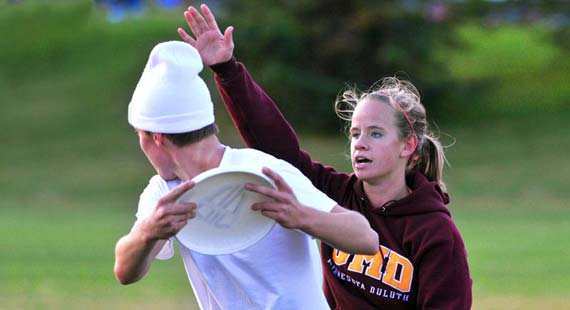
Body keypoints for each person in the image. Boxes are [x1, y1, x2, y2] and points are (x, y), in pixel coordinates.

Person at [178, 4, 472, 309]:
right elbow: (279, 149)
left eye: (375, 133)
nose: (360, 143)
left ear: (407, 145)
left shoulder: (434, 232)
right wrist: (226, 69)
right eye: (355, 133)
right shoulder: (337, 195)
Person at [113, 40, 379, 309]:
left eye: (139, 135)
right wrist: (148, 233)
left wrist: (302, 215)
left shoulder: (262, 171)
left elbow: (366, 239)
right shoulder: (164, 192)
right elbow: (125, 272)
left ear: (156, 137)